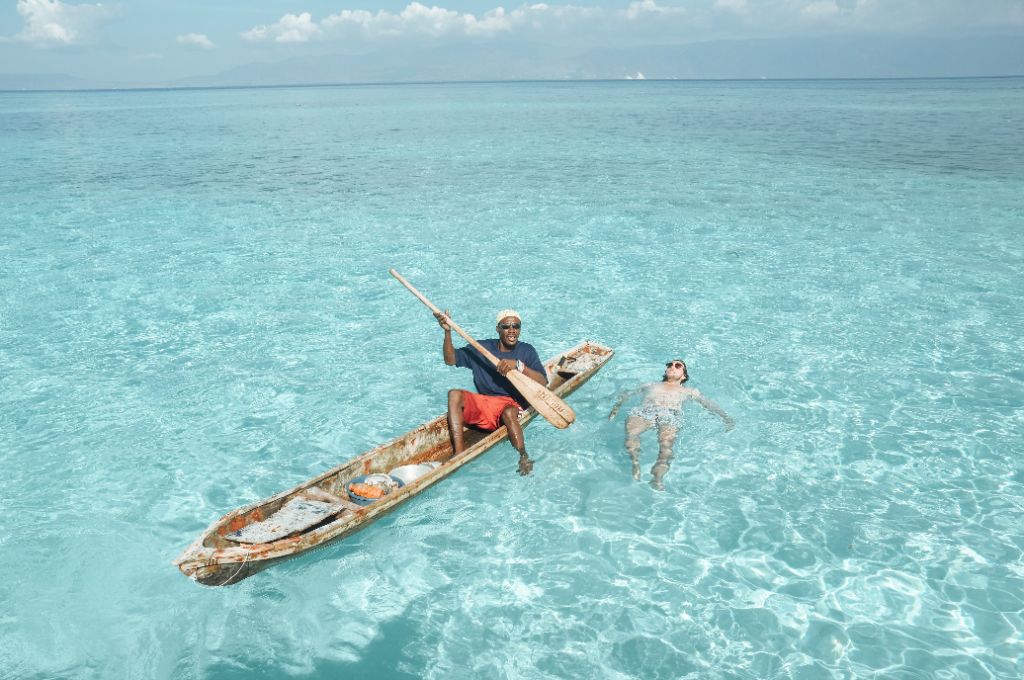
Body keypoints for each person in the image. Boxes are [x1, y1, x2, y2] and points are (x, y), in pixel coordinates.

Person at [435, 308, 548, 475]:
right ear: (498, 329)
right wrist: (447, 332)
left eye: (516, 326)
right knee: (454, 395)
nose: (512, 330)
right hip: (486, 403)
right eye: (506, 326)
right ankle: (459, 453)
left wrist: (518, 366)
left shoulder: (527, 351)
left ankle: (523, 456)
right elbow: (450, 360)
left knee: (509, 413)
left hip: (512, 405)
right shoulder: (481, 349)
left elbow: (543, 382)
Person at [609, 360, 733, 490]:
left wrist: (725, 417)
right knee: (631, 434)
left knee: (666, 444)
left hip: (671, 414)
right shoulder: (649, 385)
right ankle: (635, 462)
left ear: (683, 375)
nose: (672, 367)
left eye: (678, 366)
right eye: (670, 365)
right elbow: (625, 395)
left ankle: (657, 477)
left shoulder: (690, 391)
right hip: (645, 410)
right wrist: (615, 408)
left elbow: (708, 403)